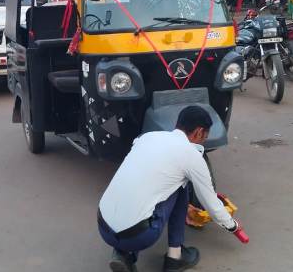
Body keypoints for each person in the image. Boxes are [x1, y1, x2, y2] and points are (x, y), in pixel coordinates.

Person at [98, 106, 242, 272]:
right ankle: (175, 257)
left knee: (144, 186)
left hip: (104, 226)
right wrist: (233, 226)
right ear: (199, 132)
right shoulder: (191, 156)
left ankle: (123, 254)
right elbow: (211, 203)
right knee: (181, 187)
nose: (203, 141)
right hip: (138, 236)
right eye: (205, 137)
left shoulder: (147, 137)